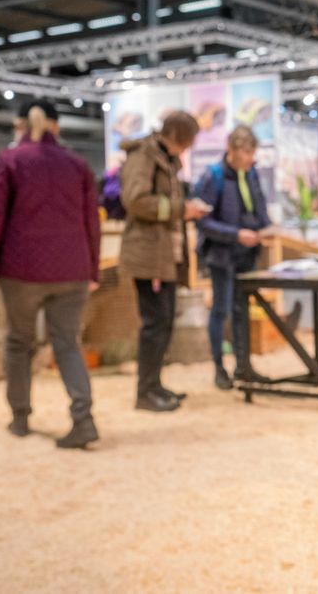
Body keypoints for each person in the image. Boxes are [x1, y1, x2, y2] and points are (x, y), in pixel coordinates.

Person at [0, 100, 101, 449]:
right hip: (73, 270)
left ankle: (20, 418)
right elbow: (92, 221)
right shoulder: (77, 164)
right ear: (56, 126)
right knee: (68, 344)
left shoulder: (10, 161)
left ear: (19, 125)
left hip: (21, 271)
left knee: (19, 343)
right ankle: (84, 419)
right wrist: (92, 268)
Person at [119, 111, 207, 412]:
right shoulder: (143, 156)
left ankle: (154, 385)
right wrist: (180, 210)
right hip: (148, 256)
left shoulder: (167, 159)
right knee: (155, 323)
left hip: (166, 256)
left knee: (165, 321)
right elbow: (135, 200)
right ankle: (145, 392)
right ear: (179, 136)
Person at [193, 125, 272, 390]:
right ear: (232, 150)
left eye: (252, 152)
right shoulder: (214, 176)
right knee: (221, 310)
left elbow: (259, 209)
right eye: (246, 152)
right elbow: (203, 221)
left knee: (242, 310)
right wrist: (236, 234)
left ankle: (243, 366)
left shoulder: (251, 174)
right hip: (222, 255)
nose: (250, 158)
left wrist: (266, 230)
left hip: (247, 255)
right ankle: (219, 368)